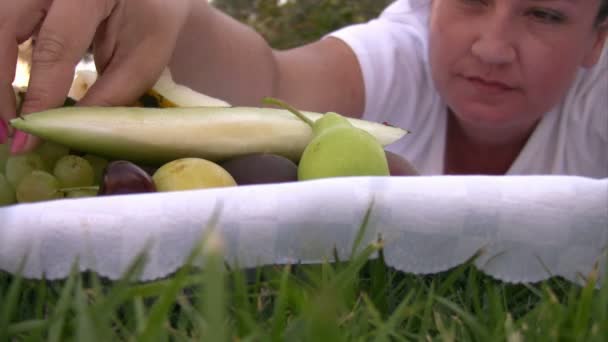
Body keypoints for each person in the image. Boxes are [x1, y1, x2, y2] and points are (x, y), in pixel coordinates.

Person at [1, 0, 606, 177]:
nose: (492, 47)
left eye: (544, 16)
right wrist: (174, 15)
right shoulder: (404, 51)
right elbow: (272, 84)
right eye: (472, 0)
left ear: (596, 42)